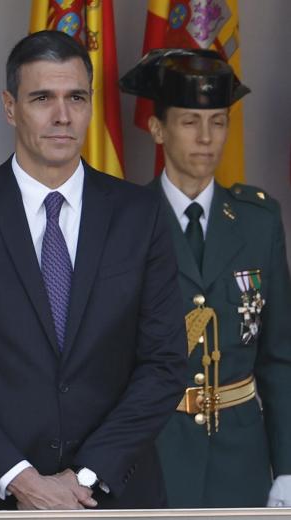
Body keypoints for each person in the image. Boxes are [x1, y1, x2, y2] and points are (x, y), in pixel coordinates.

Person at [0, 30, 188, 511]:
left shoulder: (141, 215)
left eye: (76, 97)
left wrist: (84, 477)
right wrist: (22, 480)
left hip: (111, 494)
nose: (63, 116)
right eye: (42, 98)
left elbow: (163, 364)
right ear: (10, 107)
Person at [120, 49, 291, 508]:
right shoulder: (123, 223)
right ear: (158, 129)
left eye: (218, 122)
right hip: (152, 453)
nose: (206, 138)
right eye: (190, 122)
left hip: (242, 458)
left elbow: (278, 357)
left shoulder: (259, 220)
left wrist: (288, 468)